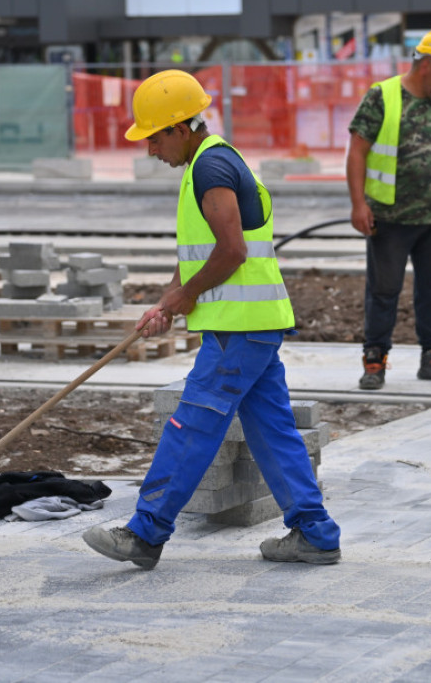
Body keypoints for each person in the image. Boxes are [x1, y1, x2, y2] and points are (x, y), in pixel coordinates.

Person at [82, 70, 341, 569]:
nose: (151, 150)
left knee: (191, 425)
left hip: (239, 327)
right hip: (251, 323)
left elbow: (231, 251)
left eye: (154, 137)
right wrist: (167, 302)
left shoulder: (211, 167)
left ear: (180, 128)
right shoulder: (207, 162)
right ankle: (315, 533)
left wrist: (185, 297)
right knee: (272, 432)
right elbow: (199, 255)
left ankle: (145, 533)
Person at [345, 28, 431, 390]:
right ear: (428, 66)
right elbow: (357, 150)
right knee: (383, 290)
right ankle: (375, 360)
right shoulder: (382, 97)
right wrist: (358, 204)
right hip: (389, 219)